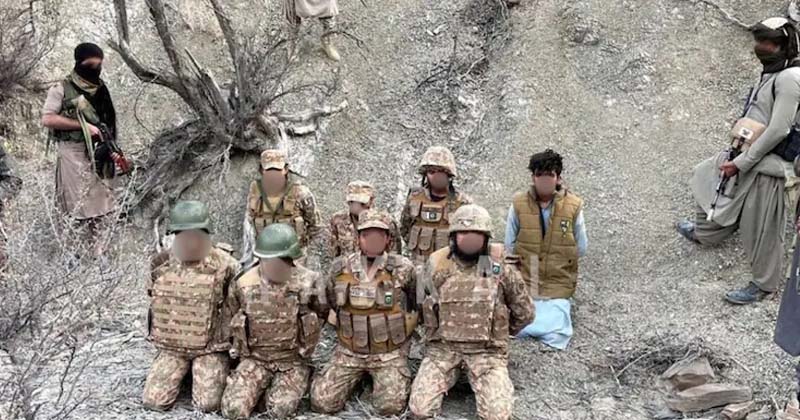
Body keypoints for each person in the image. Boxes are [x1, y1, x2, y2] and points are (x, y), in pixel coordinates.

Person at [678, 17, 800, 305]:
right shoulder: (773, 72)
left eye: (767, 42)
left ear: (783, 45)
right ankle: (706, 233)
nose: (760, 47)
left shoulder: (790, 78)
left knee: (762, 224)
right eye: (759, 41)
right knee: (712, 180)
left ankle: (764, 285)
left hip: (773, 164)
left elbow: (779, 130)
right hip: (751, 153)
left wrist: (743, 162)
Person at [409, 204, 533, 420]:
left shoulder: (499, 267)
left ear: (486, 238)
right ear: (453, 236)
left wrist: (499, 333)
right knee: (420, 410)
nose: (469, 240)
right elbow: (418, 307)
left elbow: (525, 312)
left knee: (497, 416)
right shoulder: (437, 265)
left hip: (486, 353)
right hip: (443, 350)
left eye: (476, 235)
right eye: (463, 234)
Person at [310, 210, 417, 416]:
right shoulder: (340, 268)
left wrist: (404, 341)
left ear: (388, 239)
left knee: (389, 408)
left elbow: (415, 304)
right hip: (349, 350)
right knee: (322, 403)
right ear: (358, 238)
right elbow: (328, 302)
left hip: (387, 353)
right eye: (367, 235)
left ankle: (374, 382)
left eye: (379, 236)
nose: (373, 241)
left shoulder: (403, 268)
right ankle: (357, 379)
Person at [142, 201, 240, 413]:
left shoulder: (226, 264)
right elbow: (155, 303)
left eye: (196, 234)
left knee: (208, 405)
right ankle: (183, 374)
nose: (190, 240)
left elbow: (237, 307)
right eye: (183, 234)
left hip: (210, 349)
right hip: (173, 348)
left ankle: (217, 372)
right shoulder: (161, 262)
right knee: (153, 402)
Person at [221, 223, 326, 419]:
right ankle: (260, 392)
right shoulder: (243, 283)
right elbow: (232, 313)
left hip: (291, 361)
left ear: (291, 258)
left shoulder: (308, 281)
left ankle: (290, 383)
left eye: (282, 260)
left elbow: (321, 313)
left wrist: (305, 343)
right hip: (255, 359)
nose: (275, 265)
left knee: (281, 411)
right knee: (233, 410)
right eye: (269, 260)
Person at [505, 149, 587, 350]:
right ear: (533, 177)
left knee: (556, 330)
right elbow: (509, 244)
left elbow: (581, 247)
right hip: (527, 280)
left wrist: (559, 262)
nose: (544, 180)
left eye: (549, 175)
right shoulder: (518, 204)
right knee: (518, 324)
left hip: (557, 283)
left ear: (558, 178)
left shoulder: (573, 206)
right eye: (539, 175)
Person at [41, 42, 117, 258]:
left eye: (98, 65)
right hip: (73, 152)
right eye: (90, 65)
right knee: (76, 206)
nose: (95, 69)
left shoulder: (101, 88)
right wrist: (83, 127)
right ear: (79, 63)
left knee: (102, 205)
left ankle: (97, 253)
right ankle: (72, 254)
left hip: (99, 152)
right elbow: (47, 119)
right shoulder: (61, 88)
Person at [240, 149, 321, 267]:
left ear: (286, 169)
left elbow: (316, 227)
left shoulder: (300, 192)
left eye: (278, 170)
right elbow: (250, 221)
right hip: (265, 255)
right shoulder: (255, 192)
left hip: (294, 258)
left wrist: (309, 253)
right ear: (261, 170)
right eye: (269, 170)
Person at [400, 146, 472, 264]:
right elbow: (405, 228)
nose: (436, 176)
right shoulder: (414, 198)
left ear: (449, 174)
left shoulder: (462, 202)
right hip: (418, 264)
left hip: (449, 266)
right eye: (431, 172)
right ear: (425, 174)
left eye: (440, 172)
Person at [328, 180, 401, 258]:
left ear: (371, 201)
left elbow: (394, 255)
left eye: (362, 203)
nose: (357, 206)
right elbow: (333, 253)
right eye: (353, 202)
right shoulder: (338, 220)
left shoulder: (385, 221)